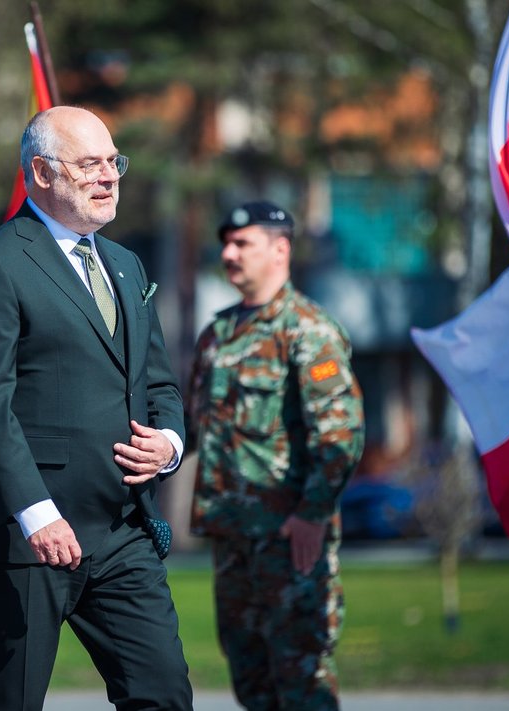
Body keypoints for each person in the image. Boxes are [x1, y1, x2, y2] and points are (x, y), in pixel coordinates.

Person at [0, 106, 191, 710]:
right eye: (89, 164)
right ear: (41, 172)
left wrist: (169, 444)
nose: (109, 176)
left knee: (163, 695)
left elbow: (158, 383)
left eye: (113, 162)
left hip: (121, 530)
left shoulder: (123, 263)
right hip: (22, 537)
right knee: (5, 702)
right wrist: (36, 514)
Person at [188, 201, 364, 710]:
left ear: (280, 249)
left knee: (302, 681)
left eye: (243, 243)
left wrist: (311, 515)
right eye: (226, 242)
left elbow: (340, 435)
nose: (228, 252)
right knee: (253, 684)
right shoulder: (217, 335)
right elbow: (193, 427)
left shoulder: (308, 330)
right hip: (232, 540)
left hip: (289, 542)